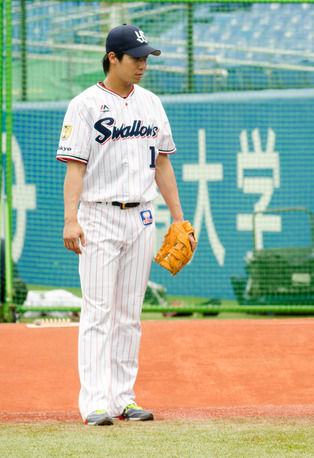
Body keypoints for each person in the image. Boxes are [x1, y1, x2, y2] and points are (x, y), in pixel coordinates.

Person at [58, 24, 195, 426]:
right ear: (112, 58)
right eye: (135, 57)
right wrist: (71, 218)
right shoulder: (84, 105)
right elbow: (74, 167)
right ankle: (95, 402)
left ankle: (123, 397)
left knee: (130, 312)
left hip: (142, 215)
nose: (142, 64)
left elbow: (163, 162)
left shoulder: (151, 103)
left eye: (146, 57)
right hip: (98, 214)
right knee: (99, 311)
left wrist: (180, 217)